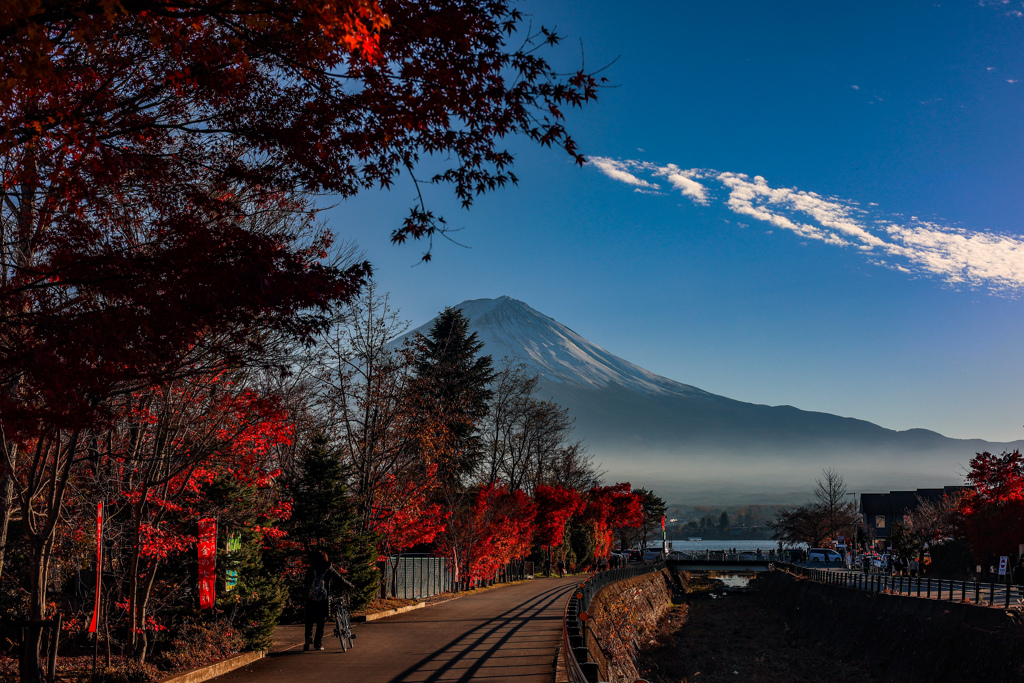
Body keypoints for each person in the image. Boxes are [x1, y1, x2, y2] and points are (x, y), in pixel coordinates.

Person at [303, 550, 355, 651]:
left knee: (309, 620)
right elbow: (339, 578)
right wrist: (350, 585)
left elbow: (306, 583)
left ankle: (307, 639)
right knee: (320, 621)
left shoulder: (311, 569)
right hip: (323, 598)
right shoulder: (328, 568)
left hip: (310, 598)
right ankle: (318, 644)